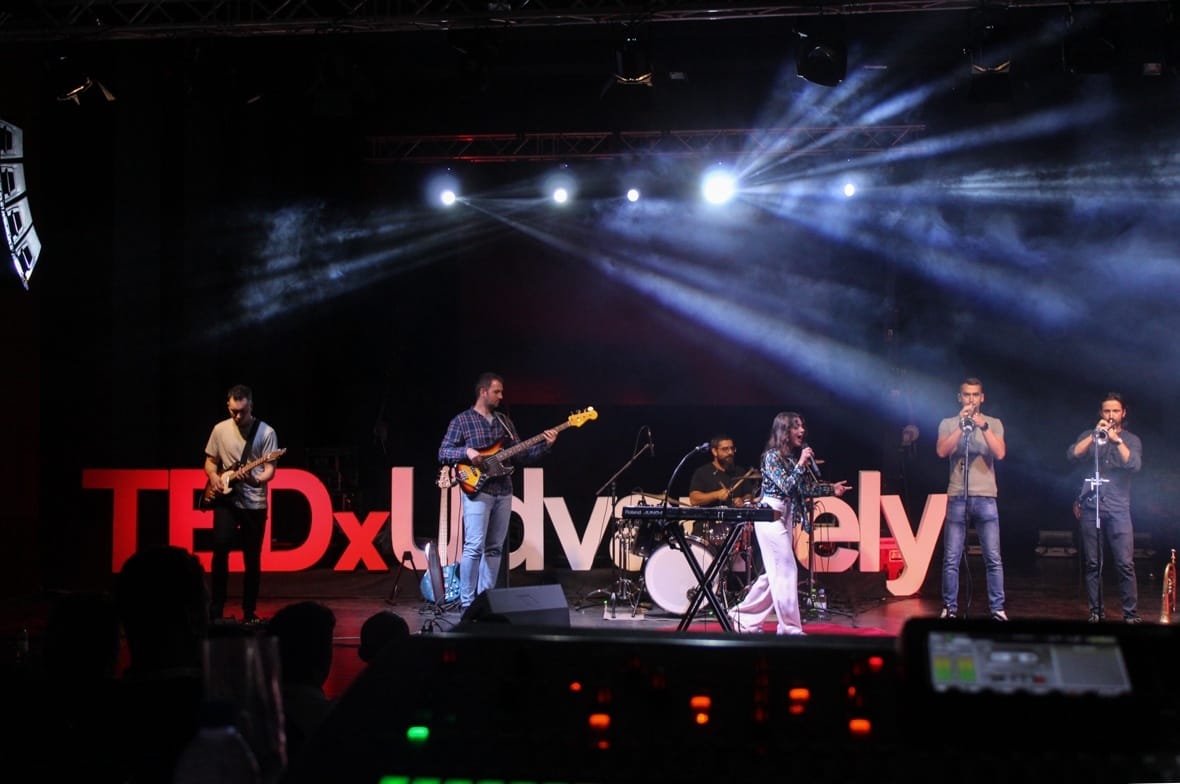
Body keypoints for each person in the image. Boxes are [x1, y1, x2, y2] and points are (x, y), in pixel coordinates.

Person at [438, 372, 559, 610]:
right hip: (478, 491)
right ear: (483, 392)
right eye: (497, 391)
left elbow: (522, 454)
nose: (501, 396)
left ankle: (486, 601)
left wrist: (546, 445)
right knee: (474, 547)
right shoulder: (462, 421)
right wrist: (467, 452)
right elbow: (443, 452)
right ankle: (467, 602)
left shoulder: (504, 421)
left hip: (503, 490)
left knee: (494, 549)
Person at [728, 412, 850, 635]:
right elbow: (785, 486)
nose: (802, 430)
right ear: (784, 431)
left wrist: (832, 489)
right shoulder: (771, 457)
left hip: (784, 515)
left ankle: (742, 617)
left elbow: (802, 489)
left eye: (802, 426)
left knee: (774, 574)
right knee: (787, 569)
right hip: (769, 515)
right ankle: (789, 627)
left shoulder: (790, 459)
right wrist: (802, 463)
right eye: (796, 427)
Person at [204, 384, 280, 624]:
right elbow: (210, 461)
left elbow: (270, 469)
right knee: (220, 550)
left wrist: (255, 479)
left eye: (242, 412)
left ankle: (249, 612)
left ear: (251, 407)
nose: (237, 417)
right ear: (228, 405)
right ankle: (216, 610)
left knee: (252, 558)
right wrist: (214, 477)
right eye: (233, 411)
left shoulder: (266, 433)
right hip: (226, 500)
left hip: (254, 504)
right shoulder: (219, 430)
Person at [935, 377, 1008, 621]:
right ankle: (950, 608)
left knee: (993, 558)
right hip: (958, 495)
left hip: (986, 497)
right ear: (960, 397)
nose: (971, 399)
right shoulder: (948, 423)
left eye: (975, 395)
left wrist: (983, 426)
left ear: (982, 398)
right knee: (951, 558)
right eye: (967, 395)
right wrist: (961, 425)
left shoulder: (994, 423)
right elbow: (942, 451)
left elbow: (1000, 453)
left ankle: (997, 608)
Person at [1067, 392, 1143, 623]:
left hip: (1119, 508)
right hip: (1091, 507)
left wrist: (1116, 440)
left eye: (1115, 411)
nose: (1111, 415)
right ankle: (1096, 611)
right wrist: (1094, 436)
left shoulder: (1131, 440)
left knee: (1125, 564)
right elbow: (1072, 454)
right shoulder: (1090, 435)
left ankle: (1130, 614)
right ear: (1101, 412)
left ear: (1123, 413)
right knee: (1093, 563)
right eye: (1107, 411)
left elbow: (1134, 465)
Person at [688, 434, 758, 508]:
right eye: (725, 449)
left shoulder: (740, 471)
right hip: (711, 515)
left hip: (736, 515)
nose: (730, 452)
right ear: (714, 451)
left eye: (732, 448)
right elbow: (694, 500)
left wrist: (742, 500)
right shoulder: (702, 472)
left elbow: (748, 495)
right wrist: (716, 495)